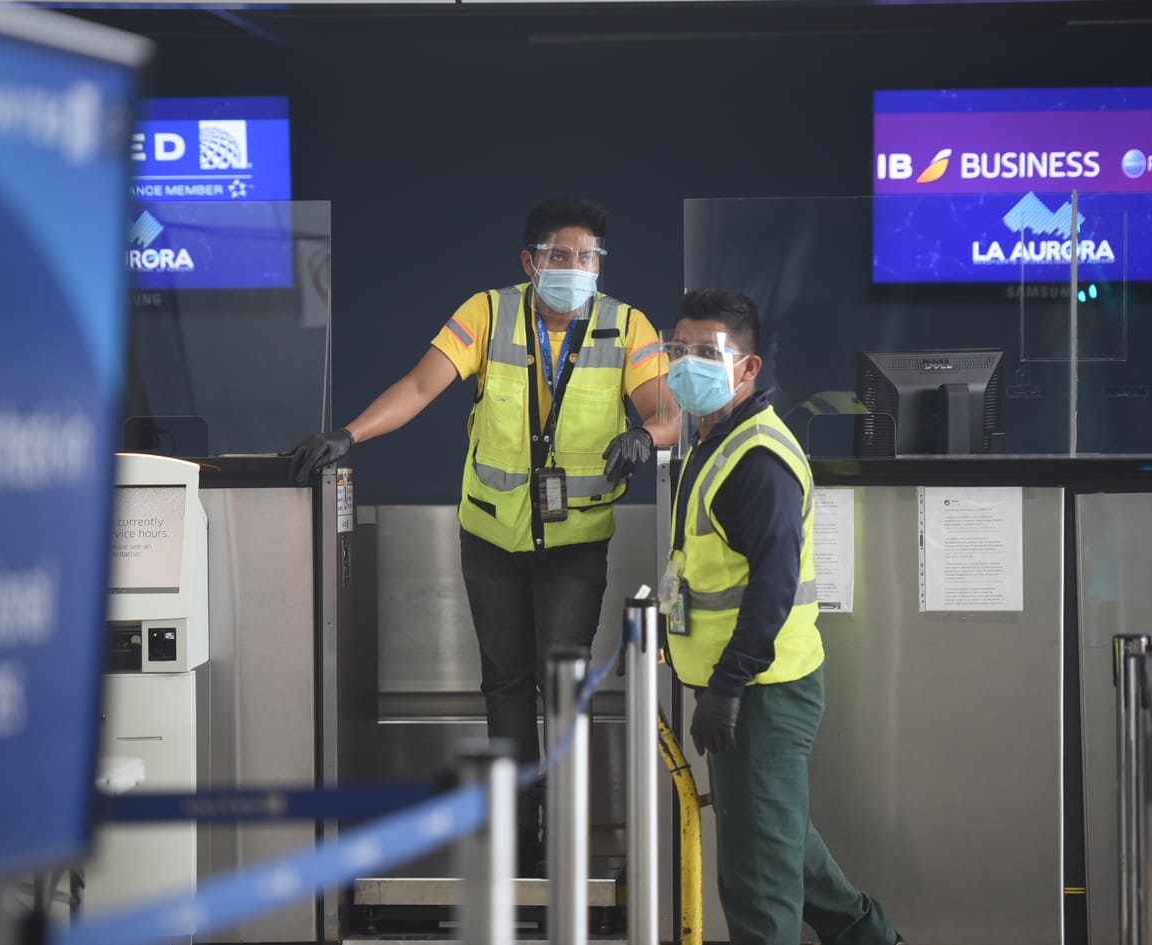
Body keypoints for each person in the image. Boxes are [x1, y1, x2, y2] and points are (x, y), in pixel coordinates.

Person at [287, 197, 673, 874]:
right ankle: (518, 830)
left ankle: (568, 831)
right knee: (505, 681)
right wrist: (349, 434)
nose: (576, 269)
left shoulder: (627, 324)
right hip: (490, 535)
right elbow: (417, 387)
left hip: (578, 540)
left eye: (589, 258)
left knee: (563, 681)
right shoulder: (487, 314)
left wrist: (645, 435)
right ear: (530, 261)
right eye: (561, 256)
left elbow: (668, 413)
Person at [660, 289, 905, 945]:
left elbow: (772, 589)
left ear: (748, 367)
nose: (687, 364)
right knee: (784, 846)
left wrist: (727, 686)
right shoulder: (716, 440)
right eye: (677, 349)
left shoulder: (758, 460)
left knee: (758, 881)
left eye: (707, 352)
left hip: (760, 693)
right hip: (750, 685)